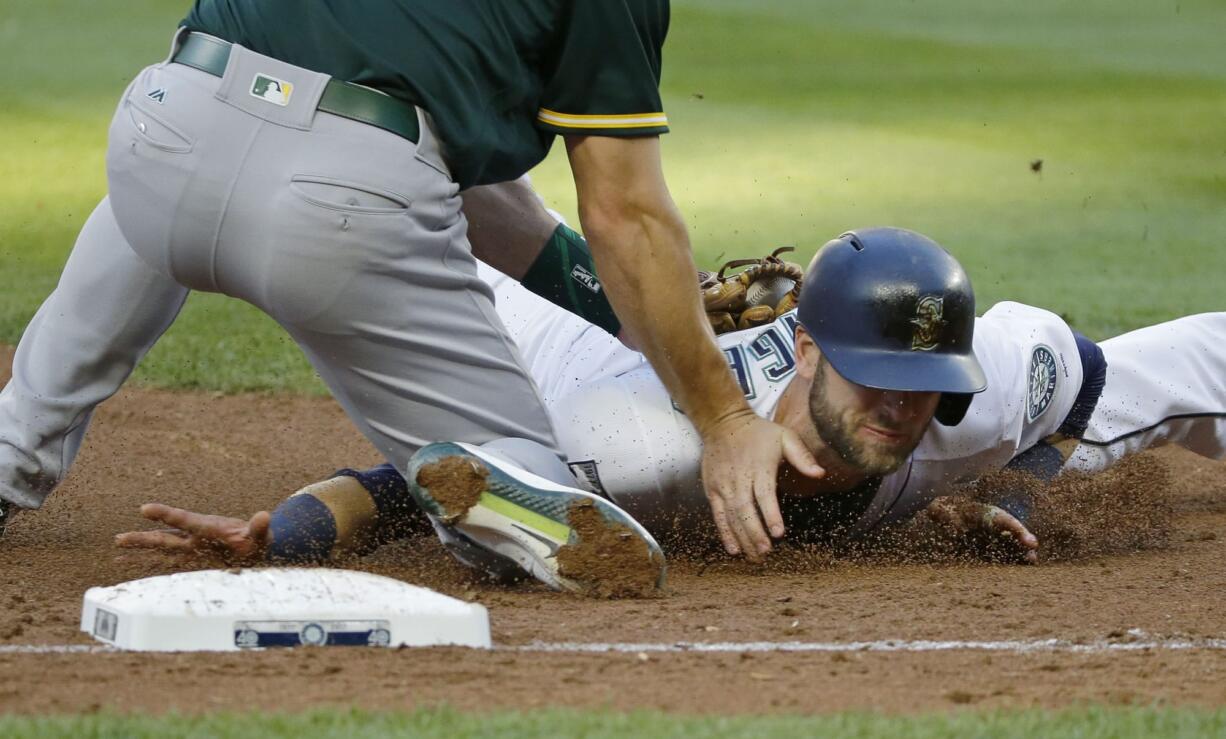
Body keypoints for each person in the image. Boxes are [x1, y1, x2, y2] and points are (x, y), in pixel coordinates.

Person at [0, 2, 823, 576]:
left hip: (162, 123)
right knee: (548, 508)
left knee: (182, 173)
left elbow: (467, 190)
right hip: (341, 209)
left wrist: (607, 307)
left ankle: (10, 453)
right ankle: (499, 497)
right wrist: (721, 414)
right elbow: (625, 214)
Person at [121, 227, 1226, 583]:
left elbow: (1076, 370)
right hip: (563, 353)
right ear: (805, 350)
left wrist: (1017, 483)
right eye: (872, 375)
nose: (902, 408)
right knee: (351, 239)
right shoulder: (643, 445)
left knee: (1187, 355)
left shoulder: (980, 386)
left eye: (926, 385)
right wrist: (289, 532)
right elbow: (429, 478)